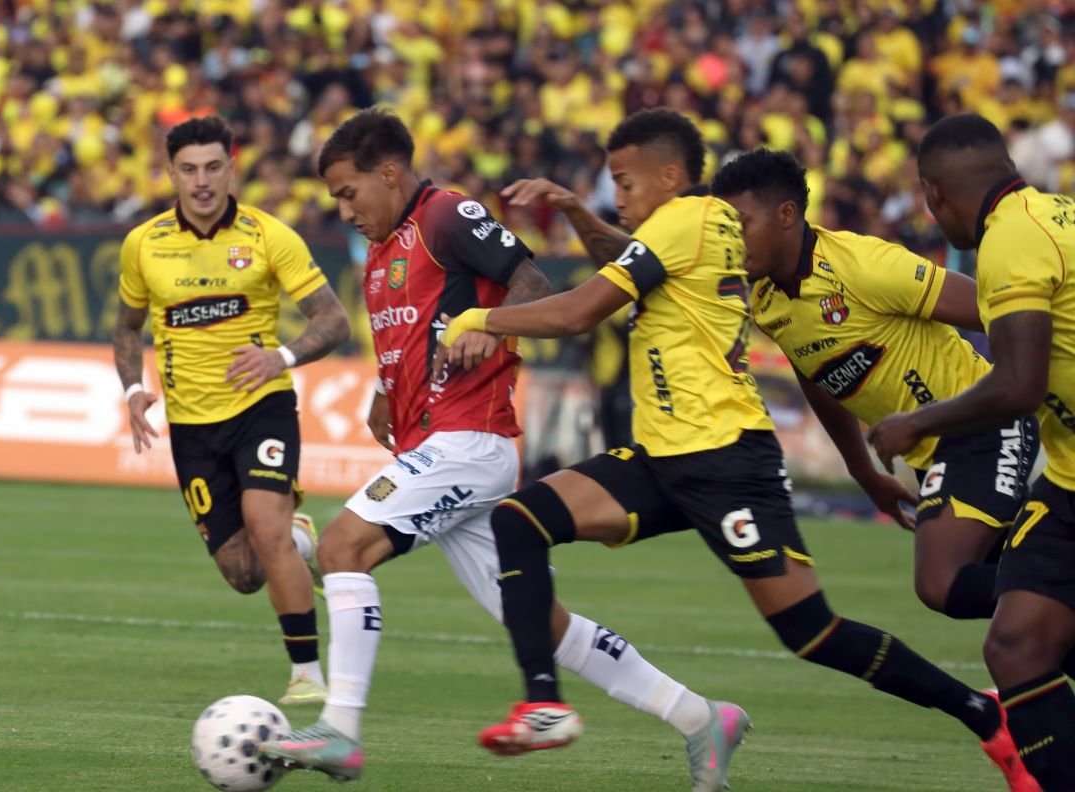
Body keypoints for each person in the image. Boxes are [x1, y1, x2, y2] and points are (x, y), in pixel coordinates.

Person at [437, 108, 1032, 792]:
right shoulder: (737, 267)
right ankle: (544, 704)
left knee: (860, 614)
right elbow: (812, 373)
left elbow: (581, 309)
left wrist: (477, 317)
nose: (619, 197)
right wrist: (862, 470)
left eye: (625, 182)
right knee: (519, 521)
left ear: (671, 178)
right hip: (667, 455)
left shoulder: (746, 235)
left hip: (738, 458)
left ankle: (995, 695)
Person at [261, 108, 742, 791]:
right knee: (540, 621)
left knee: (343, 547)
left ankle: (340, 726)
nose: (344, 208)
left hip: (472, 438)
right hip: (439, 441)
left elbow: (532, 281)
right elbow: (415, 331)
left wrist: (492, 327)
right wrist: (382, 388)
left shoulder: (445, 213)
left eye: (348, 191)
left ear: (390, 173)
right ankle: (700, 717)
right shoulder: (380, 250)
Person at [710, 147, 1039, 625]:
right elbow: (816, 373)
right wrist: (862, 471)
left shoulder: (863, 265)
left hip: (986, 424)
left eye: (739, 223)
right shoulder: (765, 300)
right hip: (935, 453)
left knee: (941, 580)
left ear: (786, 215)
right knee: (1006, 593)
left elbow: (996, 309)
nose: (731, 240)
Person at [112, 116, 350, 707]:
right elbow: (125, 327)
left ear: (231, 168)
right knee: (244, 572)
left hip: (261, 407)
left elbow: (334, 320)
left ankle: (307, 674)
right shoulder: (143, 244)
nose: (201, 181)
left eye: (213, 166)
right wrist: (131, 390)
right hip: (191, 426)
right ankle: (299, 542)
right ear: (170, 173)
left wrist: (282, 357)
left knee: (264, 528)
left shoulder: (269, 236)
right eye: (189, 169)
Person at [869, 113, 1075, 790]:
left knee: (1016, 638)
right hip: (1069, 472)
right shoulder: (1054, 214)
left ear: (934, 194)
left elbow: (1018, 384)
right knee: (1018, 638)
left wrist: (915, 422)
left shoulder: (1010, 242)